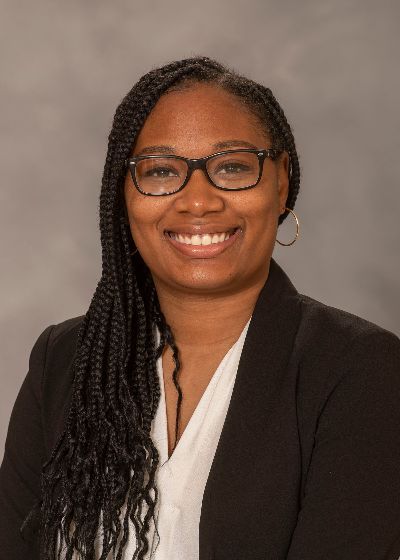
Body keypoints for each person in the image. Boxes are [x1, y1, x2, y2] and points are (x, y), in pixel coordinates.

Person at [0, 55, 399, 560]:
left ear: (280, 182)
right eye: (160, 171)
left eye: (232, 166)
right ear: (123, 195)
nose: (198, 201)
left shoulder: (360, 370)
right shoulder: (64, 360)